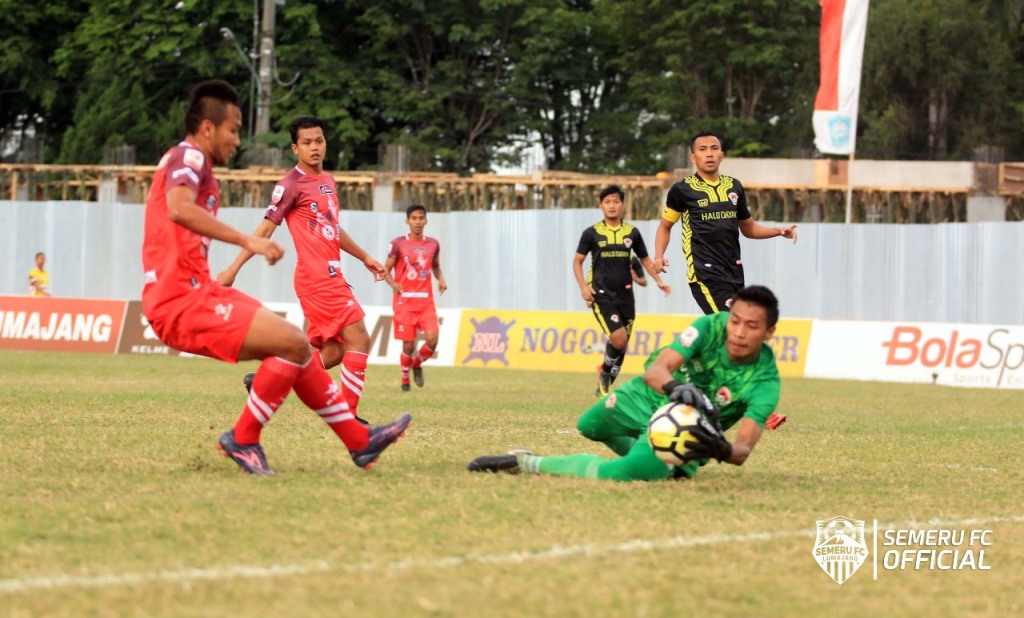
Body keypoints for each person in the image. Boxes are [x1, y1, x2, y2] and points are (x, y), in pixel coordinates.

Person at [144, 83, 409, 475]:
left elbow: (330, 228)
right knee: (305, 343)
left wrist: (366, 257)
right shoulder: (189, 157)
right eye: (232, 130)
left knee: (298, 347)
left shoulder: (197, 164)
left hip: (199, 290)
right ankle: (247, 437)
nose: (237, 140)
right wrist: (246, 243)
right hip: (179, 298)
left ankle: (358, 440)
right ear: (206, 128)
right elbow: (179, 210)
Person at [468, 285, 782, 482]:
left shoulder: (765, 382)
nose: (739, 332)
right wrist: (674, 387)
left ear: (769, 332)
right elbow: (658, 369)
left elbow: (741, 451)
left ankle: (525, 462)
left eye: (752, 326)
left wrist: (719, 447)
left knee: (616, 474)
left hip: (684, 430)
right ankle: (662, 462)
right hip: (652, 395)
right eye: (735, 321)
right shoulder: (708, 327)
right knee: (589, 425)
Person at [218, 115, 385, 426]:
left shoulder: (328, 181)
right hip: (317, 278)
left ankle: (268, 381)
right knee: (360, 338)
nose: (314, 147)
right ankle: (348, 418)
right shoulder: (290, 185)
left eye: (319, 141)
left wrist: (364, 257)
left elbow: (332, 229)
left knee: (333, 352)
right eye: (307, 143)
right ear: (295, 148)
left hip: (331, 276)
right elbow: (265, 229)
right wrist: (233, 269)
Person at [651, 132, 797, 429]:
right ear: (693, 157)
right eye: (702, 149)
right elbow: (665, 226)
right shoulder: (682, 190)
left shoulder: (734, 187)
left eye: (714, 148)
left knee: (726, 335)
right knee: (732, 330)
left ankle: (690, 385)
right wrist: (658, 256)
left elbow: (748, 228)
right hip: (704, 273)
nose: (708, 153)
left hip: (734, 271)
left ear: (722, 155)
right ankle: (749, 405)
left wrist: (778, 230)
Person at [573, 185, 670, 397]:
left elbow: (645, 259)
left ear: (622, 205)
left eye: (616, 201)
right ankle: (604, 377)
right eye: (607, 202)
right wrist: (583, 287)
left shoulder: (632, 233)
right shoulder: (592, 233)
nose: (612, 205)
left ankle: (603, 389)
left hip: (626, 297)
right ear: (601, 206)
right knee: (619, 340)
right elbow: (577, 262)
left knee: (622, 346)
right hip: (602, 295)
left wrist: (658, 280)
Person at [381, 204, 448, 392]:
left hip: (425, 301)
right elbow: (385, 270)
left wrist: (441, 279)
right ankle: (404, 378)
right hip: (404, 302)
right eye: (414, 219)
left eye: (421, 218)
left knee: (433, 339)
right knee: (408, 345)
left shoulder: (433, 244)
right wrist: (394, 284)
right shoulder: (398, 244)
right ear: (407, 221)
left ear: (426, 220)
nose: (417, 222)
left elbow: (435, 266)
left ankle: (417, 364)